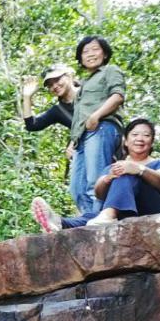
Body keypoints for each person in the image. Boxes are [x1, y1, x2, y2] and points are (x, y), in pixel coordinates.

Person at [32, 117, 160, 231]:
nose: (140, 138)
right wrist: (108, 178)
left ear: (152, 141)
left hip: (154, 211)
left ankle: (109, 215)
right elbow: (99, 194)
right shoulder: (114, 166)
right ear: (126, 140)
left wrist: (139, 169)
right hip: (126, 214)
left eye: (146, 135)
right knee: (93, 216)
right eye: (135, 134)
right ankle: (59, 223)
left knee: (125, 172)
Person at [67, 36, 126, 216]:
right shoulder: (84, 84)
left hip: (102, 128)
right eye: (85, 52)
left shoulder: (110, 70)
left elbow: (118, 96)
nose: (90, 54)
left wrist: (97, 115)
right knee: (76, 188)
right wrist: (72, 142)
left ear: (105, 53)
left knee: (96, 181)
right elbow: (79, 118)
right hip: (82, 138)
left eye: (95, 49)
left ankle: (100, 223)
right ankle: (88, 221)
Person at [21, 64, 78, 133]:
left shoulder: (88, 89)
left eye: (57, 80)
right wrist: (26, 97)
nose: (54, 86)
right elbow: (32, 125)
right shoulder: (58, 110)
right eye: (50, 85)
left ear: (69, 76)